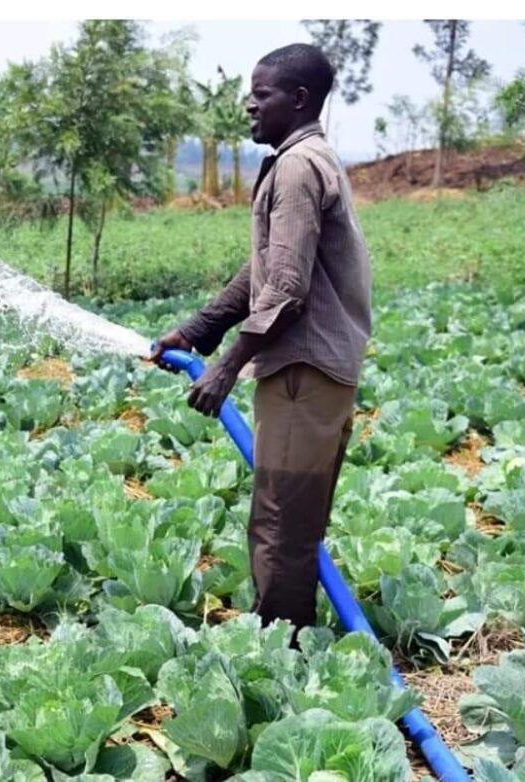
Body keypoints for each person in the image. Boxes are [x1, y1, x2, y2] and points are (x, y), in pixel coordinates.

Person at [150, 43, 372, 633]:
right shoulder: (306, 159)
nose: (250, 106)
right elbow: (265, 270)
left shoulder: (298, 167)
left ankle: (285, 655)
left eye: (262, 94)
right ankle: (290, 641)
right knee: (290, 524)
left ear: (298, 99)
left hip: (304, 369)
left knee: (279, 527)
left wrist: (224, 369)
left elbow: (287, 290)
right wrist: (198, 331)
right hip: (310, 369)